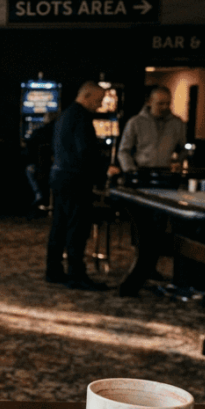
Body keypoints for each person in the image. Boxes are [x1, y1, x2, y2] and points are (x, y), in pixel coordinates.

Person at [46, 81, 117, 291]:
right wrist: (105, 169)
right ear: (86, 96)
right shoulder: (82, 116)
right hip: (75, 179)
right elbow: (85, 151)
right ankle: (76, 275)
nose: (100, 105)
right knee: (77, 229)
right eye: (98, 100)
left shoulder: (66, 114)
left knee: (59, 226)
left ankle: (54, 271)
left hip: (59, 175)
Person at [117, 86, 187, 173]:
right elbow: (123, 151)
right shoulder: (135, 122)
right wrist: (130, 171)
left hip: (166, 173)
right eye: (160, 103)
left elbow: (183, 149)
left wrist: (178, 163)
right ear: (149, 102)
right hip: (141, 171)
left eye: (168, 103)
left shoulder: (177, 123)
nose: (165, 107)